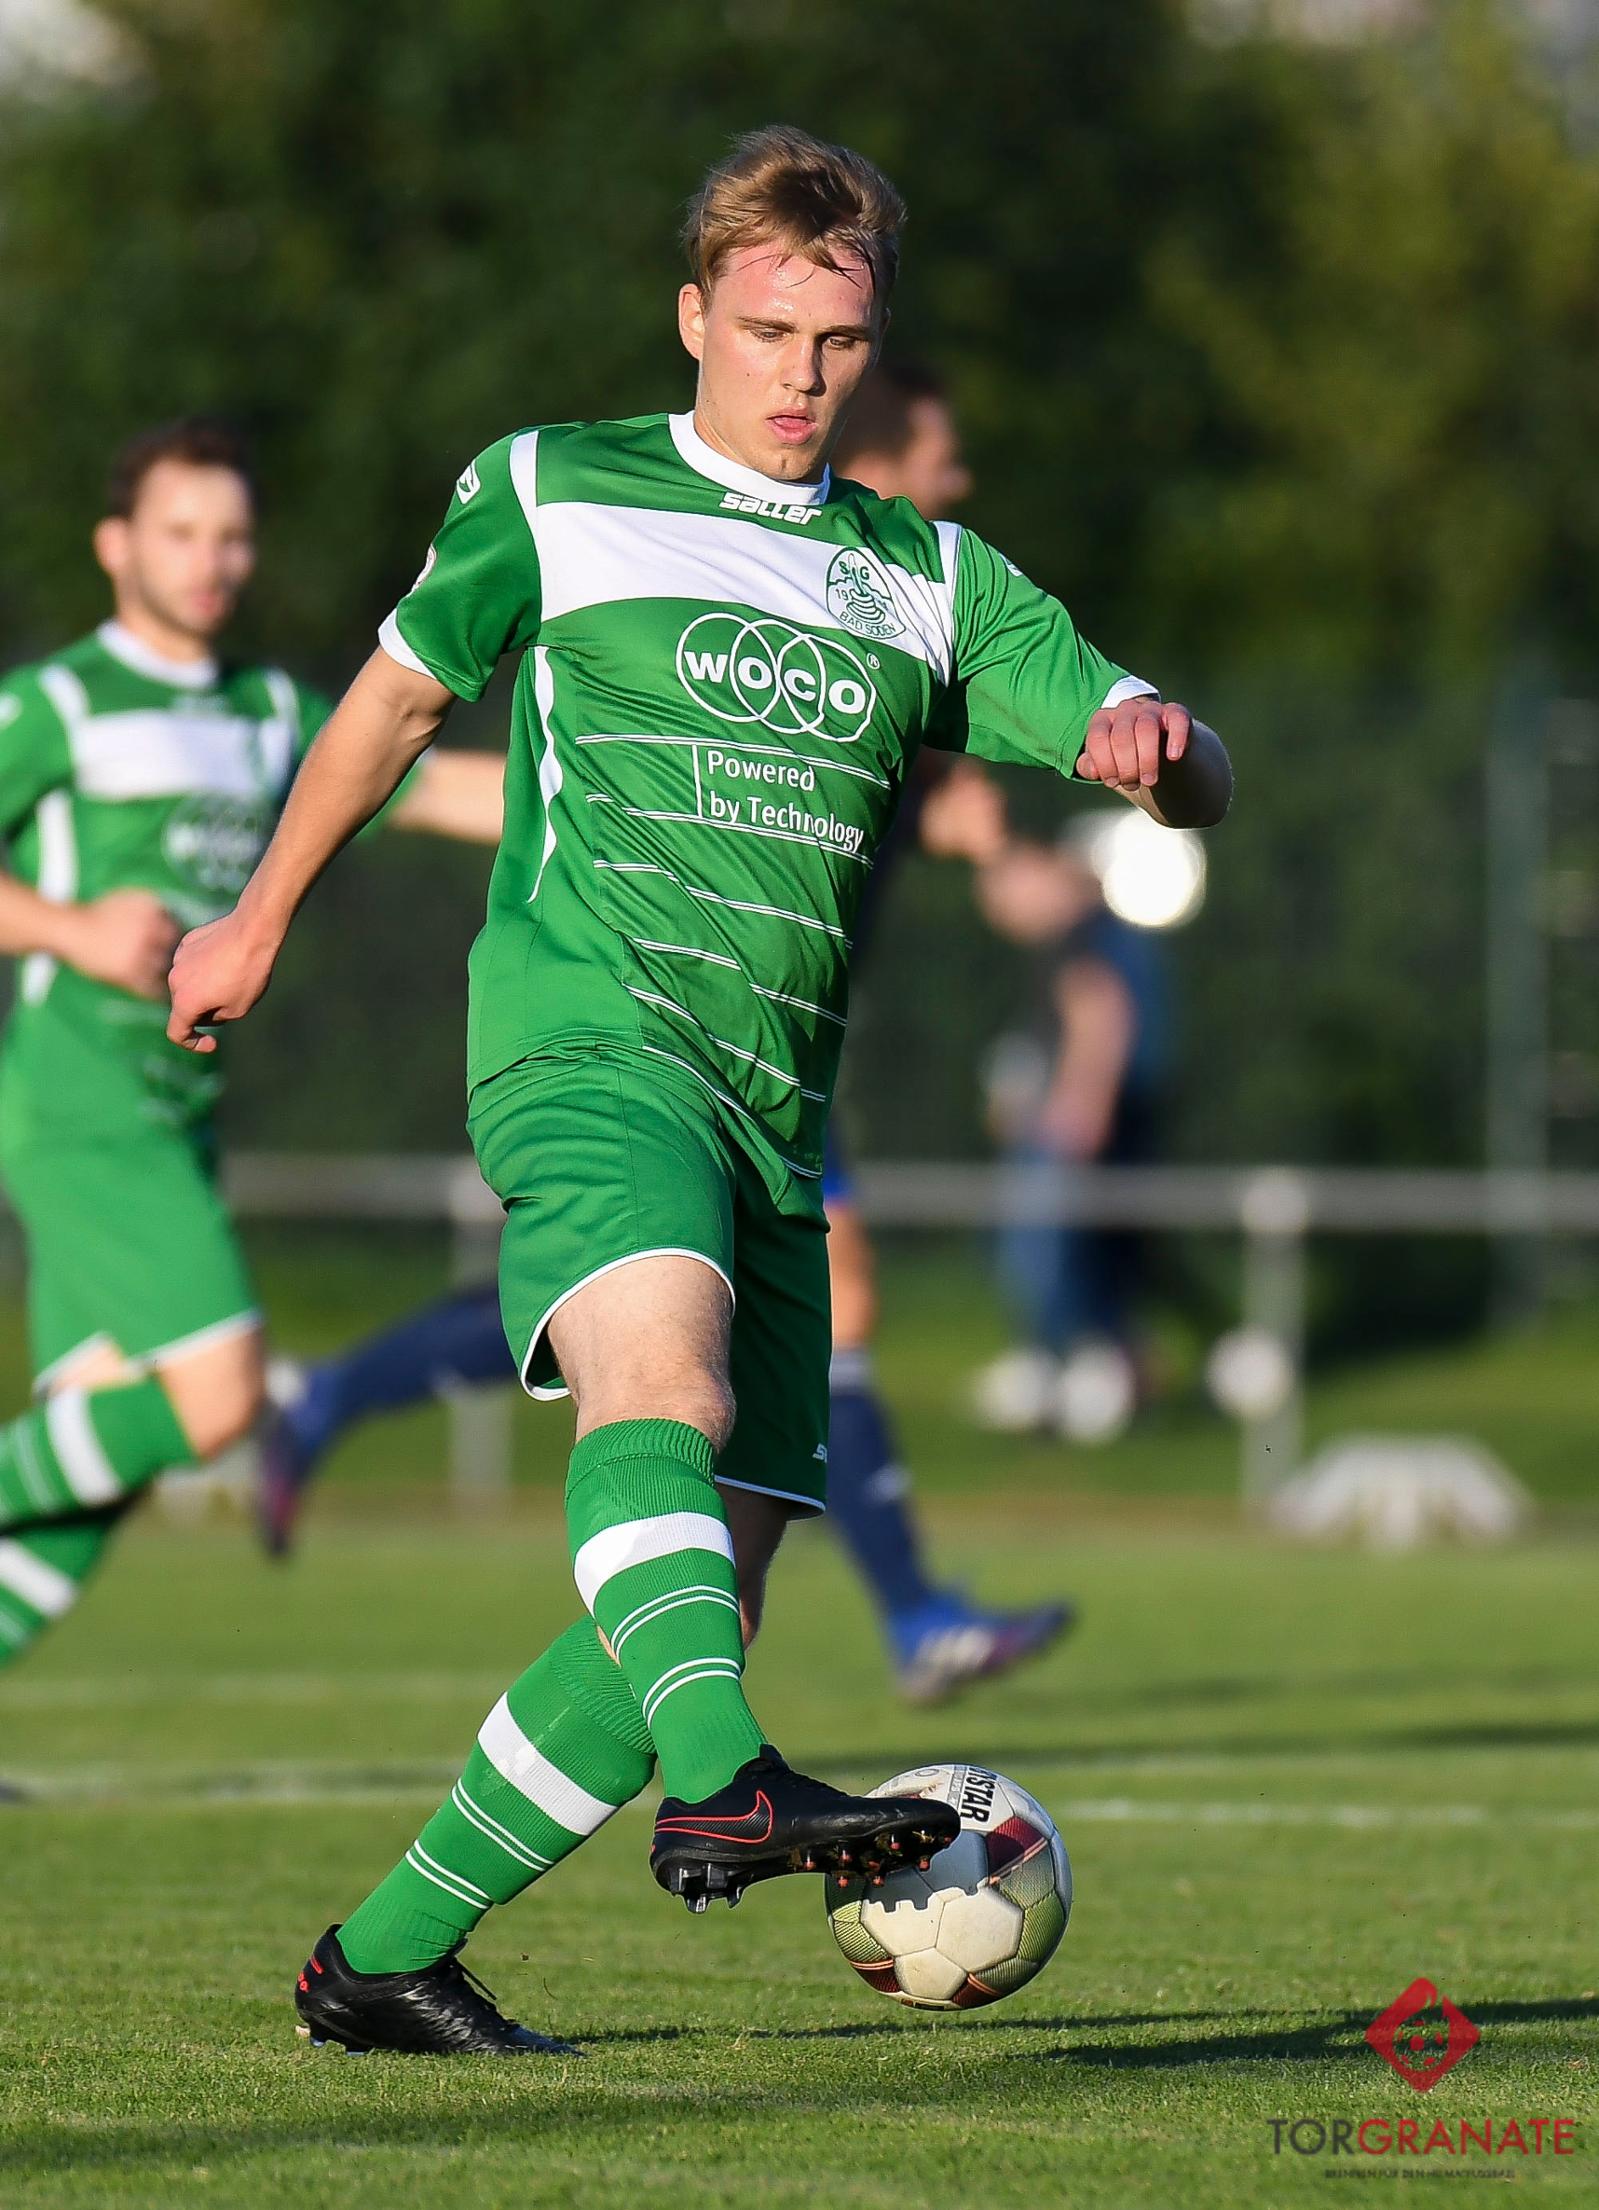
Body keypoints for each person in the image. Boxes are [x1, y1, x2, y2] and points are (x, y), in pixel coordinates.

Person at [168, 125, 1231, 2057]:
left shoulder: (924, 576)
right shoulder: (554, 490)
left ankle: (384, 1958)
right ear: (690, 318)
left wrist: (1160, 748)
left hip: (774, 1119)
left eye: (836, 341)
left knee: (684, 1609)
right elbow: (394, 701)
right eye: (763, 332)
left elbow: (1139, 729)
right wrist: (256, 918)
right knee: (661, 1388)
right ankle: (727, 1787)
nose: (799, 376)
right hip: (590, 1041)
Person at [258, 358, 1071, 1705]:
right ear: (875, 455)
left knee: (642, 1315)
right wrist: (379, 783)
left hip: (775, 1052)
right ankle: (909, 1615)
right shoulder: (709, 555)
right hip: (644, 1026)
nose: (959, 477)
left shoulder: (908, 607)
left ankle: (339, 1399)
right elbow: (587, 762)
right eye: (942, 450)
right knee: (743, 1318)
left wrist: (979, 830)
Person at [0, 418, 501, 1672]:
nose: (211, 559)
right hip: (83, 1098)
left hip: (180, 1111)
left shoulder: (272, 712)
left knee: (93, 1454)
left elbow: (436, 785)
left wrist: (618, 784)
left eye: (231, 535)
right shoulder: (59, 702)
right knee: (220, 1395)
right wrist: (68, 924)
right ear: (116, 545)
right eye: (181, 532)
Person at [966, 827, 1168, 1440]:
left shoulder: (1078, 935)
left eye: (1001, 891)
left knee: (1046, 1253)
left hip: (1067, 1130)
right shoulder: (1095, 931)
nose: (998, 912)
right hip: (1091, 1121)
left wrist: (1081, 1103)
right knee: (1097, 1253)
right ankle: (1095, 1364)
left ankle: (1067, 1367)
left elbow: (1098, 1012)